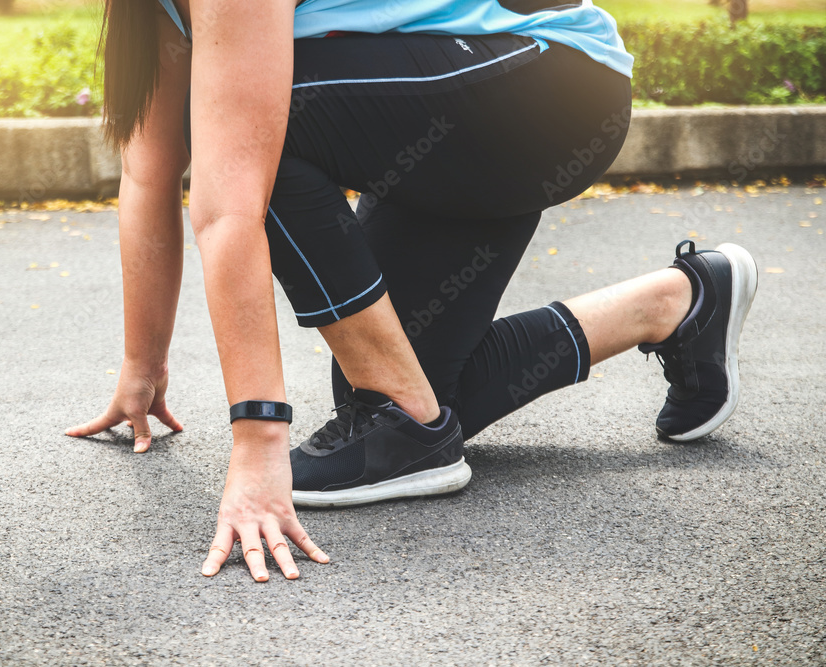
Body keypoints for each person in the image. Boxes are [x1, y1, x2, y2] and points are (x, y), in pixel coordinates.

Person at [66, 0, 758, 582]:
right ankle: (677, 303)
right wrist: (142, 364)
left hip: (546, 82)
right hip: (457, 112)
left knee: (244, 140)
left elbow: (228, 205)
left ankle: (411, 422)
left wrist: (257, 441)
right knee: (393, 399)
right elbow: (147, 174)